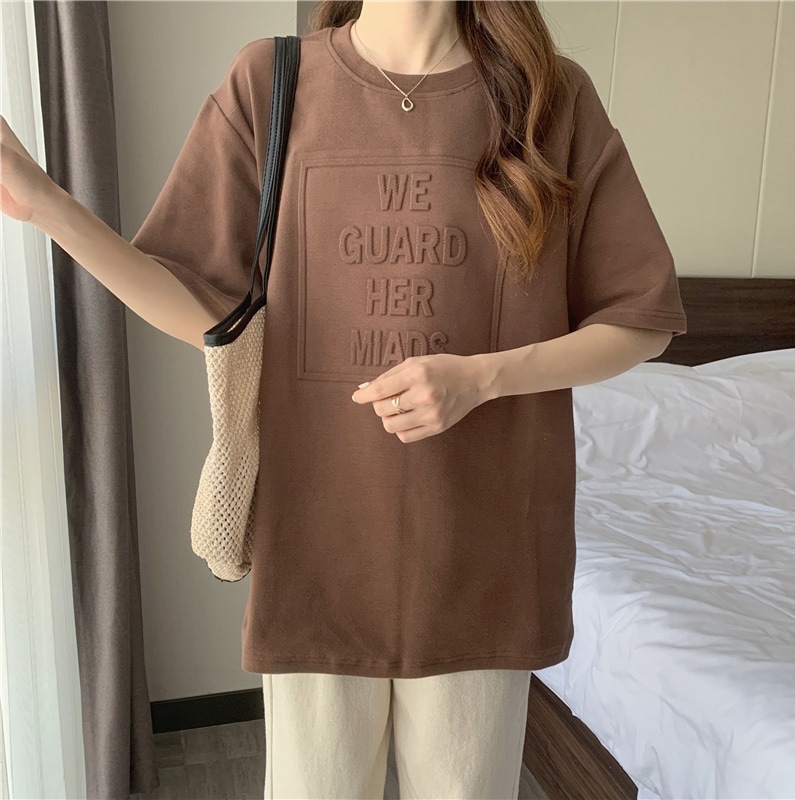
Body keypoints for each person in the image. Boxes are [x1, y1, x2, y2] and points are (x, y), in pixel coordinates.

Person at [0, 1, 687, 797]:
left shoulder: (549, 99)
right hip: (316, 553)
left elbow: (642, 320)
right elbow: (206, 311)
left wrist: (481, 377)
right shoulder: (273, 83)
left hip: (483, 557)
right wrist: (47, 207)